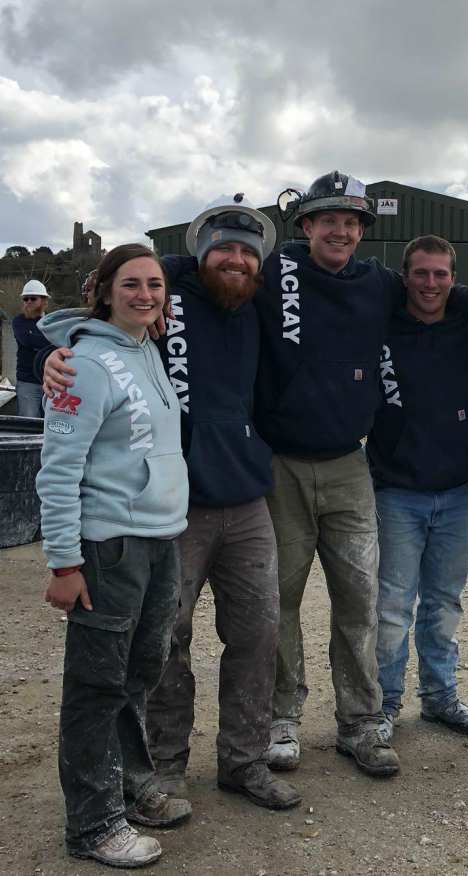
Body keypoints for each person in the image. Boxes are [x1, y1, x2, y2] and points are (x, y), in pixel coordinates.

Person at [41, 196, 303, 811]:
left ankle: (244, 761)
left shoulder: (259, 304)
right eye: (223, 249)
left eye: (247, 251)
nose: (235, 259)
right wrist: (54, 349)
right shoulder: (168, 293)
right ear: (198, 253)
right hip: (173, 512)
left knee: (259, 634)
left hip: (246, 501)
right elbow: (84, 319)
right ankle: (162, 766)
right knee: (164, 643)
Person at [255, 171, 468, 778]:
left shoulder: (377, 284)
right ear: (307, 224)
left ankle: (362, 723)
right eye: (328, 219)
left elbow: (437, 290)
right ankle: (282, 719)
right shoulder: (274, 271)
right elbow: (203, 278)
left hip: (347, 463)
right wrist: (74, 331)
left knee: (361, 599)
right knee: (278, 599)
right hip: (280, 462)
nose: (340, 230)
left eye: (352, 221)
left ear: (363, 231)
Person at [36, 244, 190, 868]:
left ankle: (129, 784)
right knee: (96, 687)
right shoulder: (85, 365)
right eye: (132, 283)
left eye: (154, 284)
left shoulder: (147, 348)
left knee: (139, 672)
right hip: (108, 547)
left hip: (160, 540)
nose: (146, 294)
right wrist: (64, 564)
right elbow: (58, 469)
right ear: (103, 289)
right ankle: (93, 825)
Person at [368, 235, 468, 742]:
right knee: (394, 605)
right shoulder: (382, 321)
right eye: (421, 273)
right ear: (406, 276)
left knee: (445, 603)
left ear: (454, 279)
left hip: (458, 491)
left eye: (442, 274)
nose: (431, 283)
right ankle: (384, 704)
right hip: (397, 491)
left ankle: (440, 698)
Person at [12, 279, 51, 417]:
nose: (28, 302)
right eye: (25, 299)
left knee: (52, 424)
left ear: (43, 300)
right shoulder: (18, 321)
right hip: (28, 383)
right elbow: (29, 341)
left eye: (33, 298)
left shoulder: (52, 321)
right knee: (29, 423)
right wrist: (51, 343)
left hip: (52, 382)